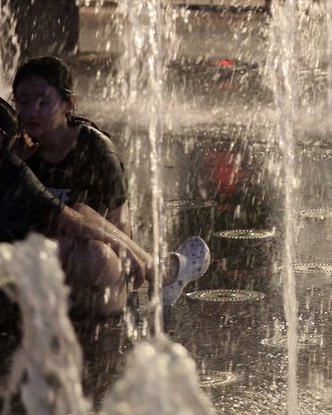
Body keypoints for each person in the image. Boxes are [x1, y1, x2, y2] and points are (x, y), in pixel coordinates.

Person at [0, 94, 191, 328]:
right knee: (93, 251)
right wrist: (126, 253)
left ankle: (157, 270)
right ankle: (156, 275)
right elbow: (73, 222)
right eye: (15, 138)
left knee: (72, 220)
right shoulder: (4, 167)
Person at [11, 56, 210, 310]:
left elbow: (119, 228)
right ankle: (163, 272)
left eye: (43, 101)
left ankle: (159, 274)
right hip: (37, 262)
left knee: (85, 226)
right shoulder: (14, 146)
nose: (31, 111)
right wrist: (12, 163)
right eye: (23, 101)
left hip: (92, 262)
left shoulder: (95, 150)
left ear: (69, 104)